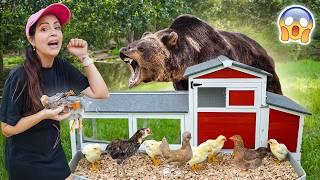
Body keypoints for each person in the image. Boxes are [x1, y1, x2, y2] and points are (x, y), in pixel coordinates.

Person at [0, 3, 109, 180]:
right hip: (26, 163)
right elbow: (7, 129)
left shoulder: (62, 67)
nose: (53, 32)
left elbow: (101, 93)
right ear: (32, 39)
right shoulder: (19, 76)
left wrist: (84, 57)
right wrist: (44, 115)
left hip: (54, 155)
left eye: (57, 27)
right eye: (44, 29)